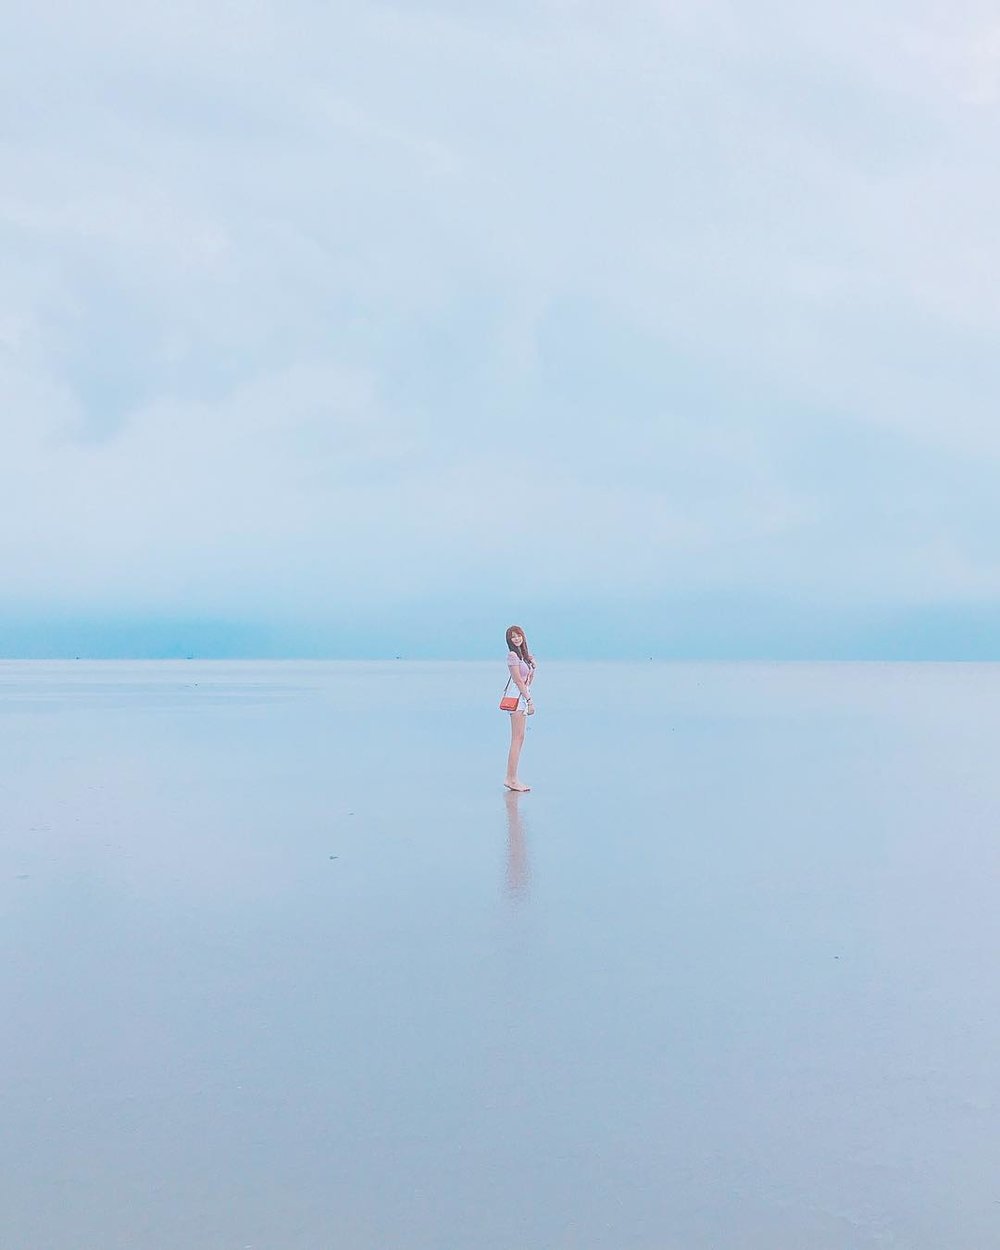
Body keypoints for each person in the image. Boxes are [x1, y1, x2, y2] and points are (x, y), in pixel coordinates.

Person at [503, 624, 536, 792]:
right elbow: (517, 680)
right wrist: (530, 700)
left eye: (518, 635)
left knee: (520, 737)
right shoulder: (512, 656)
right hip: (517, 698)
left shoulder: (522, 656)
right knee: (516, 738)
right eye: (513, 637)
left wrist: (533, 666)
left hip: (522, 696)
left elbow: (527, 681)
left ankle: (513, 777)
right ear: (509, 640)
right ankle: (511, 778)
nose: (516, 638)